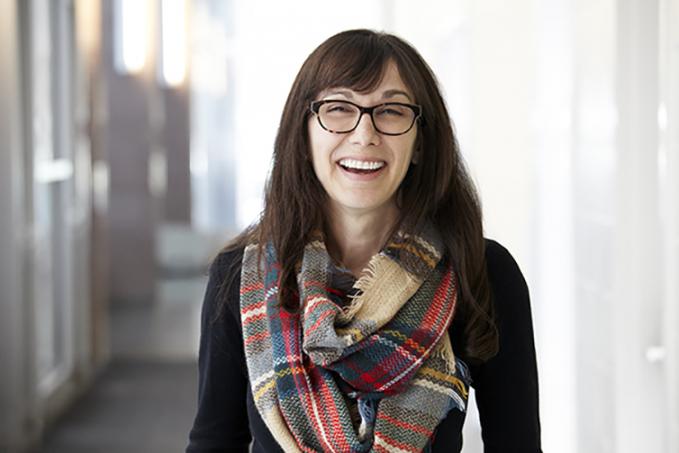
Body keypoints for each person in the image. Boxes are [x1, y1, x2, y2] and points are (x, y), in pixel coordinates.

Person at [186, 29, 542, 453]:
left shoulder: (480, 270)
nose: (364, 134)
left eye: (390, 111)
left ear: (420, 143)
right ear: (304, 135)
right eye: (338, 108)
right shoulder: (243, 276)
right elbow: (213, 442)